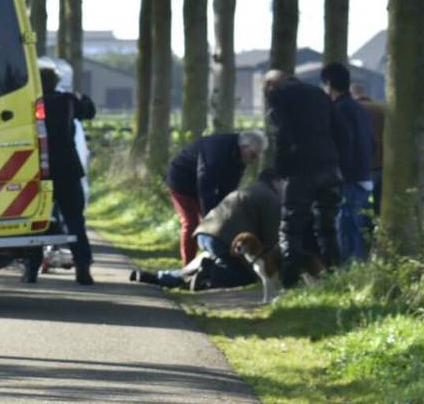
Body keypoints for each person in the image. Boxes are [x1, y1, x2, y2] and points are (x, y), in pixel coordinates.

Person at [263, 69, 349, 285]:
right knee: (327, 226)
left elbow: (281, 135)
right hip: (329, 168)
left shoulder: (278, 97)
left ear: (272, 85)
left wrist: (282, 170)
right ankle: (334, 278)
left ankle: (289, 283)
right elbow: (342, 132)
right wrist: (337, 162)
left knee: (291, 227)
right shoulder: (319, 94)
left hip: (300, 170)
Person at [136, 170, 283, 290]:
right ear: (276, 182)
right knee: (246, 276)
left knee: (200, 264)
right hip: (223, 240)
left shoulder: (251, 189)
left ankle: (159, 277)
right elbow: (271, 237)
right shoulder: (270, 197)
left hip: (205, 232)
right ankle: (208, 277)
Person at [28, 63, 97, 286]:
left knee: (35, 221)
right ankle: (83, 266)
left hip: (39, 168)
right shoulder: (67, 101)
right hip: (68, 167)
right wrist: (81, 95)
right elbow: (89, 111)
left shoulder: (32, 103)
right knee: (75, 219)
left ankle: (31, 270)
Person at [164, 130, 267, 264]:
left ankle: (212, 259)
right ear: (244, 147)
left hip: (201, 182)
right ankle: (187, 265)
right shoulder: (216, 149)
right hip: (181, 180)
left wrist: (223, 214)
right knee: (191, 222)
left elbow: (228, 190)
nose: (254, 161)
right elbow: (205, 185)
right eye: (253, 155)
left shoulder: (240, 160)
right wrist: (211, 217)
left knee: (220, 222)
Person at [321, 63, 375, 264]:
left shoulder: (339, 110)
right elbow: (371, 143)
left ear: (328, 84)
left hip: (348, 177)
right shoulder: (360, 109)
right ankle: (358, 270)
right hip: (364, 174)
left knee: (346, 227)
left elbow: (342, 145)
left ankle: (348, 272)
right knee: (358, 226)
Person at [350, 82, 385, 217]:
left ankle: (364, 234)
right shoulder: (382, 109)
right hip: (383, 164)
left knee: (359, 206)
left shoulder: (355, 110)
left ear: (352, 94)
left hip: (364, 166)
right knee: (380, 207)